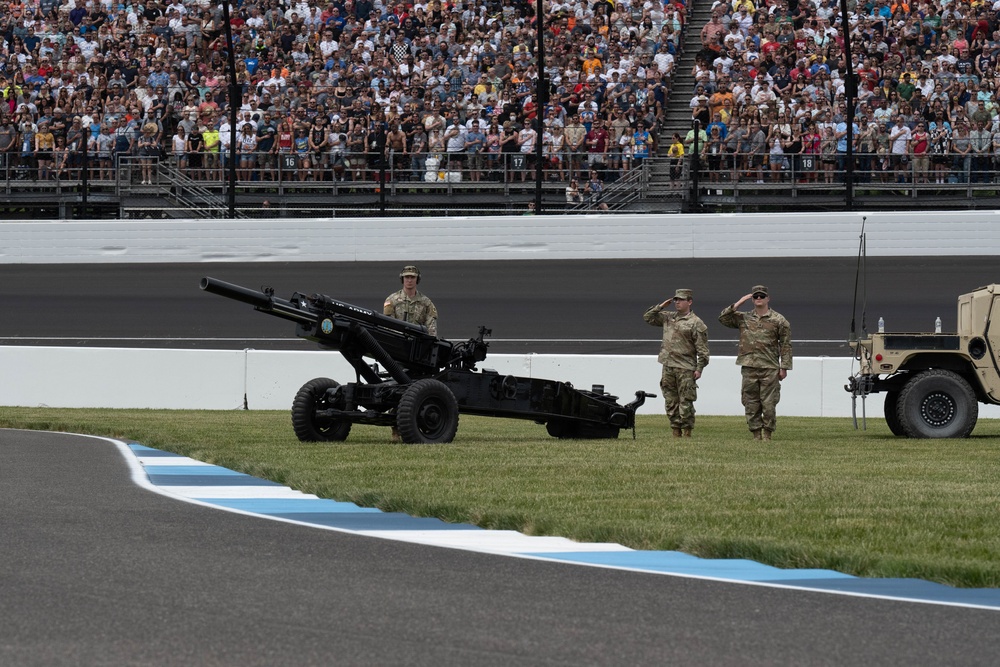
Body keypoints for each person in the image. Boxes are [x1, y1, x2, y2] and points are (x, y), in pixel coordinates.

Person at [718, 285, 793, 441]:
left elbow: (785, 345)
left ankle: (767, 433)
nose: (759, 298)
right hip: (749, 366)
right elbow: (723, 319)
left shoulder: (779, 320)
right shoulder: (744, 317)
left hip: (769, 367)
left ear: (768, 299)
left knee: (769, 403)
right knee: (750, 402)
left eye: (762, 296)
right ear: (752, 299)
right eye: (756, 296)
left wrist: (784, 367)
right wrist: (738, 303)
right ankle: (755, 433)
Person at [643, 289, 710, 437]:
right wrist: (660, 307)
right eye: (675, 300)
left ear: (689, 301)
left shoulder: (696, 323)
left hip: (685, 367)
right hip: (668, 366)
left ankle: (686, 431)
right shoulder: (668, 317)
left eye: (681, 299)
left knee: (686, 402)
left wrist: (699, 369)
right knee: (670, 400)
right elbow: (648, 317)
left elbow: (703, 350)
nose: (677, 302)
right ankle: (675, 430)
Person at [383, 265, 438, 337]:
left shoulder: (426, 303)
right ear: (402, 279)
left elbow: (431, 330)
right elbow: (388, 326)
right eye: (406, 277)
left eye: (412, 277)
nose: (409, 280)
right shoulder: (392, 300)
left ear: (417, 279)